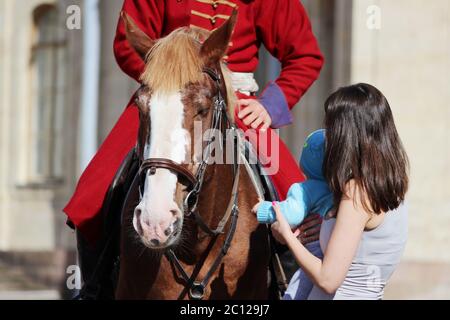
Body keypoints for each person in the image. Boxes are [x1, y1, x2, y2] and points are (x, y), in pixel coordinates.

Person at [64, 0, 324, 297]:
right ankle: (94, 288)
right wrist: (168, 81)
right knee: (93, 191)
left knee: (296, 196)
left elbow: (304, 54)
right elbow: (127, 41)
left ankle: (288, 287)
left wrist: (271, 105)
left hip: (235, 102)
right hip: (166, 97)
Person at [270, 83, 409, 300]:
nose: (326, 135)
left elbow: (328, 279)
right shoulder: (386, 184)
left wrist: (287, 235)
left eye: (331, 127)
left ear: (347, 135)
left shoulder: (358, 192)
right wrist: (325, 224)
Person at [253, 129, 333, 300]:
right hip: (332, 248)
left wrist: (263, 208)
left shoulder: (304, 189)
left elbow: (291, 214)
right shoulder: (336, 188)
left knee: (297, 290)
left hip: (313, 251)